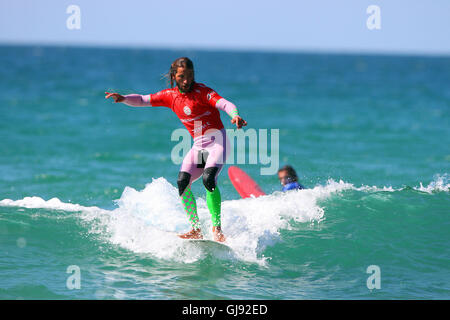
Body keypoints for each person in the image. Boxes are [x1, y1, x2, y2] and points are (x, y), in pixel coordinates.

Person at [105, 57, 247, 242]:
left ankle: (217, 229)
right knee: (182, 182)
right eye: (181, 76)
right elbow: (142, 99)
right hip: (199, 147)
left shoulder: (203, 92)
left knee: (209, 178)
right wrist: (123, 98)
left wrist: (235, 116)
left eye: (189, 76)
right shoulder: (170, 96)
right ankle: (196, 229)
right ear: (174, 76)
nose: (186, 80)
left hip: (218, 143)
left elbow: (225, 104)